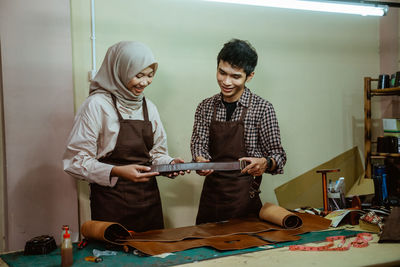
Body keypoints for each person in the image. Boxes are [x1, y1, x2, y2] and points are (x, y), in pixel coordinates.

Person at [63, 41, 185, 232]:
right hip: (111, 204)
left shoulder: (148, 107)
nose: (144, 82)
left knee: (151, 257)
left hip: (148, 202)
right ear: (119, 71)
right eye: (138, 75)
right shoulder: (97, 105)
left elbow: (156, 153)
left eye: (150, 75)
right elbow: (75, 161)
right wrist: (118, 171)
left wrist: (169, 164)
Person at [191, 39, 287, 224]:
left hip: (245, 202)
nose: (226, 82)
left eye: (235, 76)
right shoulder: (205, 107)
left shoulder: (262, 108)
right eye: (222, 73)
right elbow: (199, 146)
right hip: (210, 201)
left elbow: (279, 156)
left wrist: (266, 162)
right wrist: (200, 160)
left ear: (249, 76)